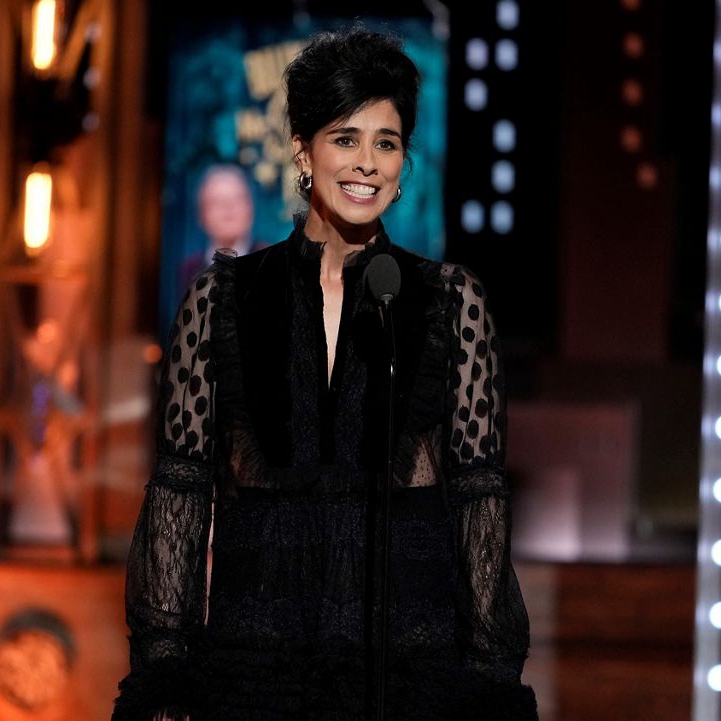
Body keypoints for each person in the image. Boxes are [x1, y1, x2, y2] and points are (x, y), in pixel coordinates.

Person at [114, 26, 537, 721]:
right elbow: (182, 492)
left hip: (409, 676)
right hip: (255, 674)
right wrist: (166, 670)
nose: (366, 162)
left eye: (387, 141)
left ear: (405, 164)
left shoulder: (449, 302)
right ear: (303, 151)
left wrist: (492, 676)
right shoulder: (221, 300)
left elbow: (478, 499)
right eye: (346, 137)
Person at [178, 165, 265, 292]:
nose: (228, 207)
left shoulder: (271, 261)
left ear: (250, 209)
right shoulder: (189, 270)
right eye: (217, 201)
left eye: (237, 198)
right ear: (201, 215)